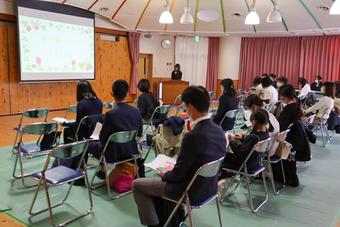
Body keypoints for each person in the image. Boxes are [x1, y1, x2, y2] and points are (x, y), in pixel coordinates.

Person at [132, 86, 226, 227]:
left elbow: (178, 175)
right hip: (210, 188)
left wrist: (165, 174)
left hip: (189, 191)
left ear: (191, 107)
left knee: (137, 185)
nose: (185, 111)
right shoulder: (219, 131)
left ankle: (153, 224)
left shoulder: (192, 137)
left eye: (185, 107)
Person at [87, 80, 143, 177]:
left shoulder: (110, 114)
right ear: (127, 93)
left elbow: (103, 137)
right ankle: (102, 171)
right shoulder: (136, 111)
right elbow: (139, 133)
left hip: (113, 154)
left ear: (112, 93)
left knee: (88, 144)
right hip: (131, 150)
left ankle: (99, 172)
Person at [277, 84, 311, 186]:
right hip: (297, 137)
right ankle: (290, 178)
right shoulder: (296, 104)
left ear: (285, 96)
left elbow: (281, 126)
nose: (281, 98)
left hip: (292, 138)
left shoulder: (288, 109)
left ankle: (288, 179)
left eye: (281, 95)